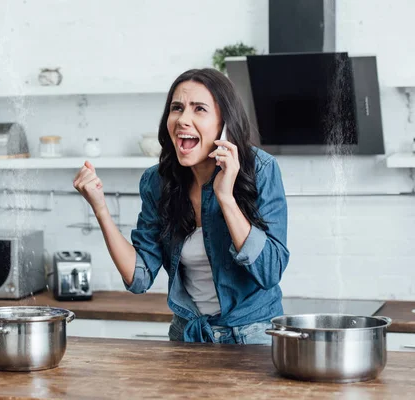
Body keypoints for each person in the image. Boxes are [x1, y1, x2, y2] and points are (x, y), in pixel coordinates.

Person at [73, 68, 289, 344]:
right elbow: (138, 278)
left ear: (224, 122)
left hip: (252, 336)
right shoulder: (157, 181)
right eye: (177, 108)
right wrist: (100, 208)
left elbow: (269, 271)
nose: (183, 119)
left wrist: (225, 197)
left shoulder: (261, 170)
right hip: (187, 336)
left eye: (199, 109)